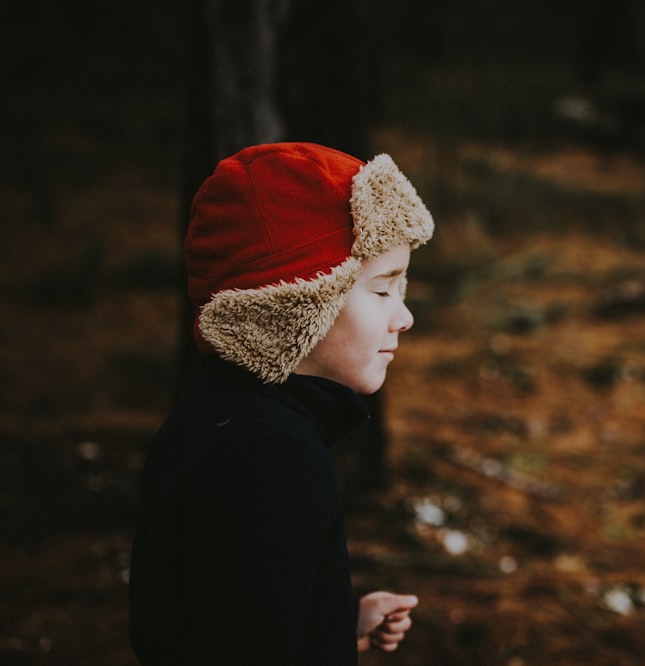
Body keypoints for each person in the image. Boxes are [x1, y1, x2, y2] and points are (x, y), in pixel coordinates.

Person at [128, 142, 433, 664]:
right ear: (293, 304)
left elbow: (232, 618)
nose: (403, 318)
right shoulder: (271, 460)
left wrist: (334, 621)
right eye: (381, 291)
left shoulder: (224, 416)